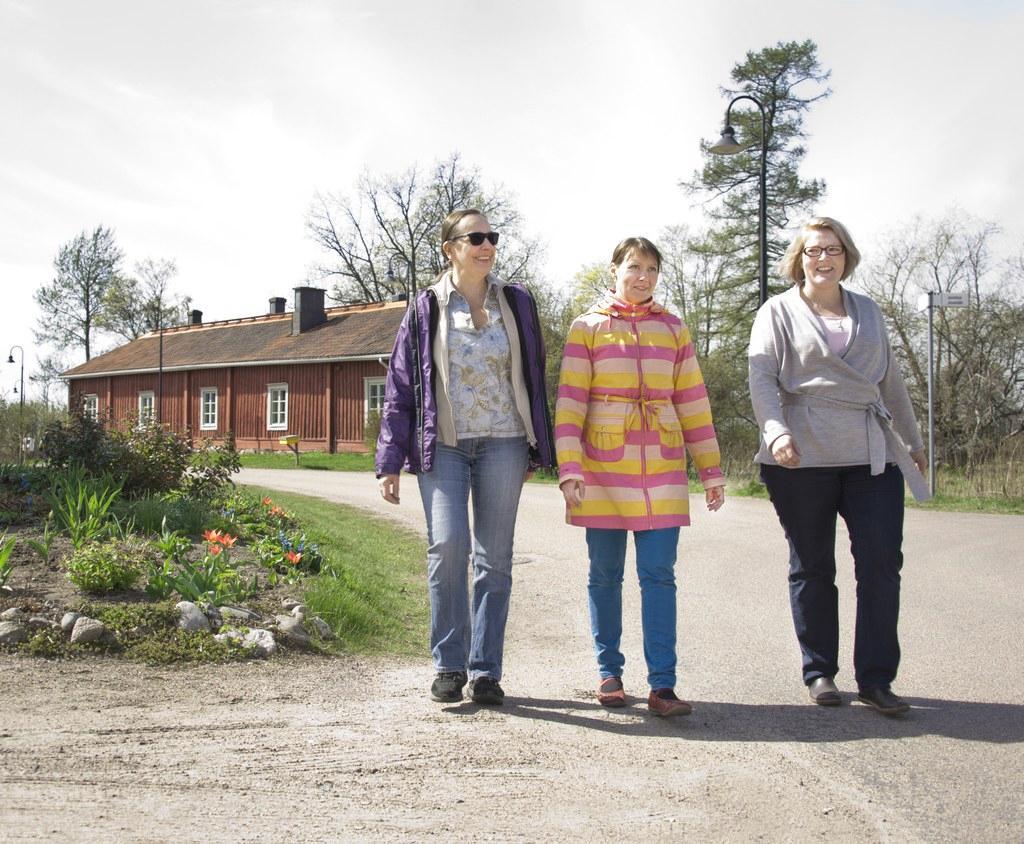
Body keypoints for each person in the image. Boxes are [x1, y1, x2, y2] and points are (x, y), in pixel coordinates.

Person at [748, 216, 930, 717]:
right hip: (800, 456)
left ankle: (876, 679)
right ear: (799, 259)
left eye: (832, 249)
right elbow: (762, 377)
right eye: (813, 251)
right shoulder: (777, 312)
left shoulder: (869, 312)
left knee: (880, 564)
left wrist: (912, 442)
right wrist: (775, 430)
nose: (823, 258)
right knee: (812, 565)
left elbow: (890, 382)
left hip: (871, 454)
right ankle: (820, 671)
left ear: (846, 256)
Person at [376, 208, 555, 706]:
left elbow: (535, 377)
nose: (487, 245)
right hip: (445, 445)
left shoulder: (516, 302)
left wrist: (543, 442)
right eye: (475, 237)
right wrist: (389, 460)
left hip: (505, 441)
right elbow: (400, 386)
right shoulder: (426, 307)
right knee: (449, 546)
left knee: (494, 558)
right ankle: (449, 664)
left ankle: (485, 669)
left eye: (491, 236)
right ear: (450, 248)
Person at [555, 236, 726, 717]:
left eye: (651, 268)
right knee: (604, 576)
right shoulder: (587, 328)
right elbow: (570, 404)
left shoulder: (673, 329)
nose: (643, 276)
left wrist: (710, 470)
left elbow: (693, 402)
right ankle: (609, 673)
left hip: (664, 470)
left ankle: (663, 686)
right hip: (603, 470)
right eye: (634, 266)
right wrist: (570, 468)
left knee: (659, 576)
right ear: (614, 270)